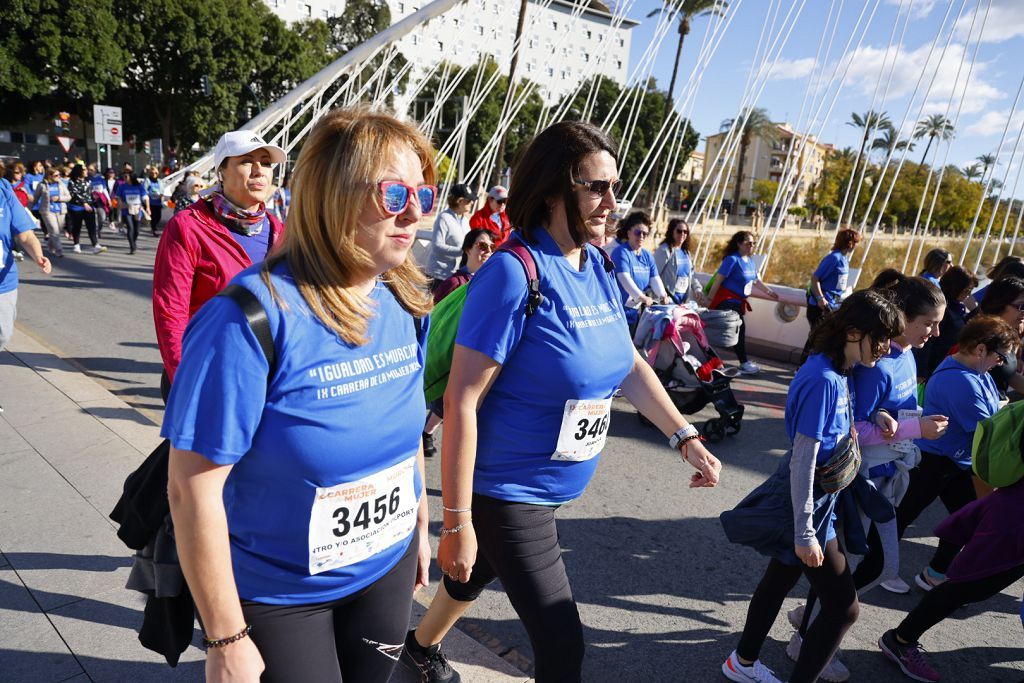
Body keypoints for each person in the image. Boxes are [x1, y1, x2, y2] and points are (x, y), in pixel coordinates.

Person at [401, 120, 721, 683]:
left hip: (548, 487)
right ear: (553, 190)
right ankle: (419, 650)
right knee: (562, 646)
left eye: (614, 187)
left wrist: (684, 435)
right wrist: (456, 522)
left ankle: (419, 651)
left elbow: (627, 363)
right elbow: (463, 400)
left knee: (474, 577)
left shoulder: (595, 264)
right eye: (596, 187)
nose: (611, 202)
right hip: (508, 490)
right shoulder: (511, 272)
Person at [164, 107, 436, 683]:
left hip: (383, 569)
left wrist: (420, 519)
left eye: (423, 193)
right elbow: (191, 487)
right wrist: (225, 637)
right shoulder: (248, 320)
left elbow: (406, 429)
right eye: (393, 194)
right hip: (283, 593)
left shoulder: (405, 302)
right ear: (334, 196)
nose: (414, 213)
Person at [721, 289, 904, 683]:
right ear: (854, 331)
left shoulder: (838, 370)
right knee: (843, 608)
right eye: (882, 338)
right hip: (809, 504)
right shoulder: (823, 377)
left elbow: (834, 433)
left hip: (820, 501)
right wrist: (806, 532)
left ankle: (743, 661)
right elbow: (804, 458)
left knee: (779, 578)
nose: (887, 349)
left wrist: (883, 416)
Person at [787, 272, 948, 681]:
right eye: (928, 322)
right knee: (864, 566)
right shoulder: (871, 365)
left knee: (875, 565)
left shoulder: (905, 355)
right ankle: (811, 634)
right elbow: (844, 432)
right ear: (902, 318)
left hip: (888, 472)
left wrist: (905, 424)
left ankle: (814, 621)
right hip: (862, 477)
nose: (936, 331)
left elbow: (885, 413)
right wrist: (915, 429)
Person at [153, 130, 286, 400]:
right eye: (247, 161)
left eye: (267, 163)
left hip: (261, 378)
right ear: (221, 172)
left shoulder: (279, 230)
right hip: (205, 375)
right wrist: (185, 381)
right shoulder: (188, 227)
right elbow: (170, 311)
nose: (260, 171)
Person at [895, 315, 1018, 591]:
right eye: (1001, 356)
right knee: (902, 516)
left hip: (953, 461)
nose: (1002, 363)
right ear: (981, 349)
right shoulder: (962, 381)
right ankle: (878, 568)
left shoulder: (975, 373)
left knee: (965, 519)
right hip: (933, 461)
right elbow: (987, 431)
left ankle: (934, 572)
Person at [879, 478, 1024, 683]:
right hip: (1013, 518)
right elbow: (982, 471)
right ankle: (900, 639)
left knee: (975, 586)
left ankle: (932, 575)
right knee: (969, 587)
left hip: (1010, 513)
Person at [422, 228, 498, 460]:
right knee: (443, 403)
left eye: (491, 248)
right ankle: (424, 434)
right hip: (449, 355)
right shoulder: (455, 282)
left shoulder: (487, 283)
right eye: (482, 246)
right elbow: (434, 320)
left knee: (447, 405)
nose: (487, 252)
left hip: (468, 354)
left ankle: (425, 433)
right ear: (468, 249)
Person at [1, 174, 52, 409]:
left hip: (3, 282)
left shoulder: (3, 190)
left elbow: (25, 233)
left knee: (3, 334)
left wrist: (38, 255)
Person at [707, 230, 780, 375]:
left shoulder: (750, 261)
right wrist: (709, 300)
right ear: (739, 244)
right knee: (738, 330)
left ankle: (717, 360)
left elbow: (755, 280)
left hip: (739, 302)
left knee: (732, 332)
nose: (752, 246)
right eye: (749, 243)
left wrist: (769, 292)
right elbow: (718, 280)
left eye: (754, 243)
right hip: (727, 301)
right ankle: (743, 362)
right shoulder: (732, 260)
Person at [799, 229, 860, 364]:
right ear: (849, 243)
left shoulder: (844, 259)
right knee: (818, 337)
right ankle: (803, 366)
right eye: (855, 242)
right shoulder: (834, 258)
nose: (857, 245)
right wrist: (821, 298)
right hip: (820, 306)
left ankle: (808, 365)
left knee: (822, 337)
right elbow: (815, 278)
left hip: (831, 304)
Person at [913, 266, 977, 381]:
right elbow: (928, 341)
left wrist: (974, 311)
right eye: (967, 290)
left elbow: (961, 327)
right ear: (956, 287)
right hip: (933, 366)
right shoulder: (942, 309)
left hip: (944, 364)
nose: (968, 295)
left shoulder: (957, 307)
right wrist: (921, 373)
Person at [611, 211, 671, 328]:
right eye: (638, 232)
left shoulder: (647, 256)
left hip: (637, 311)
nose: (641, 236)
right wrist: (642, 297)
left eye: (645, 233)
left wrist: (663, 295)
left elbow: (655, 279)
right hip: (619, 311)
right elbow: (624, 279)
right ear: (629, 232)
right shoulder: (621, 253)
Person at [968, 276, 1024, 398]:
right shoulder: (982, 336)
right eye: (1021, 307)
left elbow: (1008, 375)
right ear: (1000, 304)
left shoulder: (1005, 334)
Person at [425, 183, 476, 287]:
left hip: (455, 275)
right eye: (469, 200)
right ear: (460, 201)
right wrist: (462, 251)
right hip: (438, 276)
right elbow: (437, 246)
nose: (472, 203)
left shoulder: (465, 221)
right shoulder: (443, 218)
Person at [654, 218, 706, 305]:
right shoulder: (664, 250)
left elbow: (691, 275)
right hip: (667, 301)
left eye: (685, 232)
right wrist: (661, 296)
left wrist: (697, 289)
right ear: (672, 232)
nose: (682, 234)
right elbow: (654, 275)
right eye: (679, 231)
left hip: (682, 301)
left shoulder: (686, 252)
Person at [66, 165, 106, 255]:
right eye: (84, 170)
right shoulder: (72, 182)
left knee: (91, 226)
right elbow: (74, 194)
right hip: (76, 207)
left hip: (89, 207)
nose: (86, 171)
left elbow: (90, 193)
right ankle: (76, 244)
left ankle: (95, 245)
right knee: (77, 226)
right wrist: (84, 203)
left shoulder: (88, 181)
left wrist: (94, 202)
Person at [32, 167, 67, 256]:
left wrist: (59, 198)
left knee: (57, 231)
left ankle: (50, 244)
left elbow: (68, 197)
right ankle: (59, 250)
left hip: (60, 210)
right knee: (54, 230)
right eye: (56, 175)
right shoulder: (42, 185)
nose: (58, 177)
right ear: (49, 176)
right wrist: (27, 209)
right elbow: (35, 198)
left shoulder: (61, 184)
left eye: (59, 175)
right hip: (47, 211)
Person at [115, 171, 150, 255]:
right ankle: (132, 246)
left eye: (126, 176)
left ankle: (133, 241)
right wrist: (119, 202)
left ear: (131, 177)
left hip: (137, 210)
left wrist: (148, 208)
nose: (124, 177)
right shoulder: (122, 186)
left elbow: (145, 197)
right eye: (124, 176)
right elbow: (118, 197)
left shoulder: (139, 186)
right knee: (130, 227)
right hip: (126, 209)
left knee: (137, 230)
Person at [143, 166, 165, 235]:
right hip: (150, 202)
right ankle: (154, 229)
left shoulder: (160, 181)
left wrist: (161, 196)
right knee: (153, 216)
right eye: (152, 173)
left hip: (158, 202)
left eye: (155, 173)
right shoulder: (147, 180)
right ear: (150, 173)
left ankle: (154, 227)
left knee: (158, 217)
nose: (154, 174)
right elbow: (144, 190)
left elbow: (162, 191)